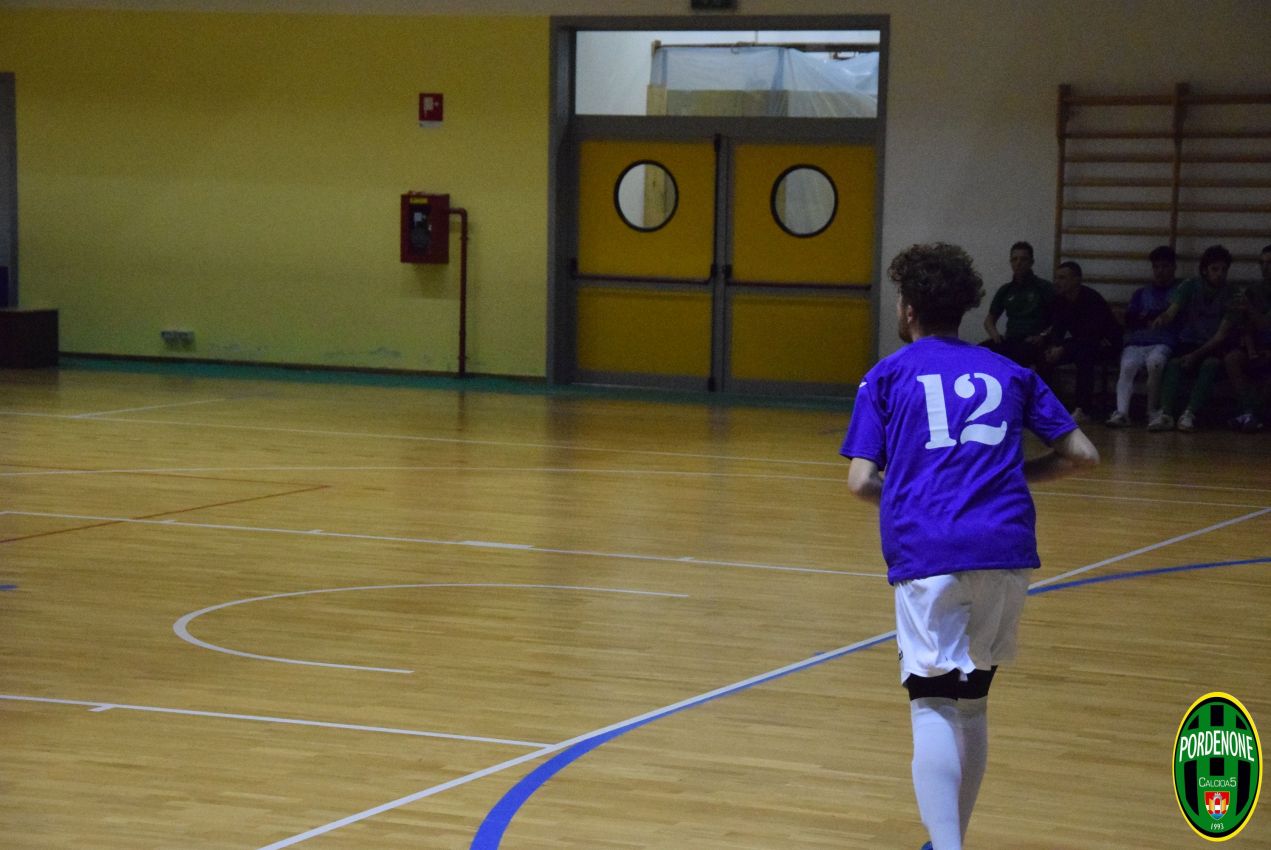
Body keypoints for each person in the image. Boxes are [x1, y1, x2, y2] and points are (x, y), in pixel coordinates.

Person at [841, 243, 1099, 850]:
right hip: (1006, 552)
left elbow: (859, 481)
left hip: (931, 554)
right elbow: (1083, 455)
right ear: (962, 308)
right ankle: (949, 838)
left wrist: (912, 501)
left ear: (908, 309)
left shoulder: (888, 375)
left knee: (931, 702)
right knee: (973, 702)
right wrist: (1017, 478)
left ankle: (947, 846)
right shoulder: (1011, 372)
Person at [1155, 245, 1239, 432]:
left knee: (1210, 365)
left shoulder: (1233, 294)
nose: (1220, 274)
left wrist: (1195, 355)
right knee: (1174, 364)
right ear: (1204, 270)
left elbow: (1221, 336)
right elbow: (1172, 310)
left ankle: (1189, 413)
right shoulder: (1190, 286)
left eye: (1224, 270)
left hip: (1212, 345)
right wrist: (1164, 317)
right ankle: (1166, 413)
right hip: (1188, 341)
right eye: (1215, 269)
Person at [1106, 246, 1180, 429]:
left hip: (1164, 341)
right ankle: (1121, 413)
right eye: (1156, 267)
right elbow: (1130, 319)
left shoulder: (1180, 292)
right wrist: (1150, 317)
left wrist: (1145, 317)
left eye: (1165, 266)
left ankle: (1152, 411)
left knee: (1155, 363)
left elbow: (1177, 318)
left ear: (1174, 267)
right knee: (1128, 366)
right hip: (1136, 342)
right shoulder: (1141, 293)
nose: (1160, 271)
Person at [1039, 260, 1122, 420]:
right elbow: (1058, 328)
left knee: (1084, 356)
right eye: (1056, 278)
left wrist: (1063, 348)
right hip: (1079, 344)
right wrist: (1053, 347)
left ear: (1077, 280)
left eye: (1062, 278)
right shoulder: (1059, 301)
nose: (1057, 282)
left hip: (1106, 343)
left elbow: (1092, 335)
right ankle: (1044, 405)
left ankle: (1083, 408)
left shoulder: (1092, 299)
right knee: (1044, 357)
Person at [981, 241, 1054, 369]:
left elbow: (1059, 320)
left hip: (1033, 342)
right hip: (1011, 340)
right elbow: (989, 320)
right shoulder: (1006, 290)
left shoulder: (1044, 287)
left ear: (1031, 262)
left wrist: (1042, 336)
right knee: (980, 352)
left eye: (1023, 259)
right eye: (1014, 259)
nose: (1018, 263)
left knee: (1019, 356)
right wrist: (995, 336)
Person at [1222, 243, 1271, 432]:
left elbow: (1266, 323)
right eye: (1262, 263)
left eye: (1269, 263)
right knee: (1232, 359)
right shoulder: (1253, 290)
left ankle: (1253, 415)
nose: (1265, 267)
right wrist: (1251, 351)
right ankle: (1249, 411)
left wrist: (1249, 308)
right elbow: (1246, 326)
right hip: (1257, 346)